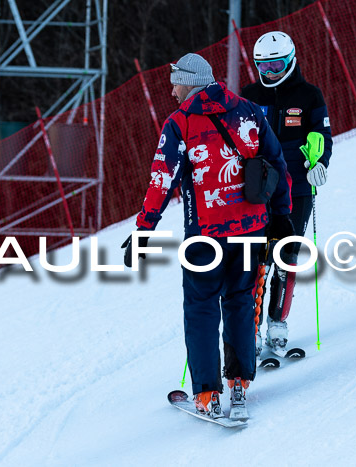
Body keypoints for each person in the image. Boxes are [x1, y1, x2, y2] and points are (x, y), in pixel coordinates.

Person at [122, 53, 293, 419]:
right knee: (240, 304)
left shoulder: (180, 122)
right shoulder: (248, 111)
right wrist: (281, 217)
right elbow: (276, 163)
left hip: (205, 236)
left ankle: (207, 395)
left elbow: (161, 180)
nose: (171, 90)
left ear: (192, 82)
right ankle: (239, 386)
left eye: (176, 83)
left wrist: (143, 231)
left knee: (200, 310)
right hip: (252, 229)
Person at [241, 31, 333, 356]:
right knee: (253, 259)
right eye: (263, 67)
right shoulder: (250, 95)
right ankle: (247, 331)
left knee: (285, 257)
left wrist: (318, 162)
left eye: (276, 66)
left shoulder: (308, 95)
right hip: (256, 188)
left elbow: (321, 134)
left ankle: (277, 324)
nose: (270, 74)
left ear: (291, 60)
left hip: (297, 187)